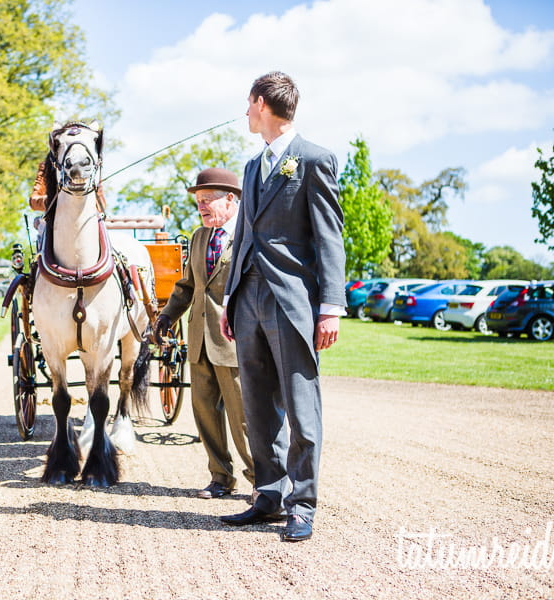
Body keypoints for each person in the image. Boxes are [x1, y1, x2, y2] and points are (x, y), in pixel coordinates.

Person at [218, 72, 346, 542]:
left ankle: (303, 503)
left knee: (300, 404)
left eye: (248, 104)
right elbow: (245, 235)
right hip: (248, 298)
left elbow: (329, 237)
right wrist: (230, 298)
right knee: (257, 403)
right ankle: (268, 494)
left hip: (294, 301)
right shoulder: (252, 167)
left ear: (260, 103)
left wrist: (330, 306)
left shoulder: (314, 160)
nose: (246, 112)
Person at [155, 168, 254, 500]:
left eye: (207, 200)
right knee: (205, 415)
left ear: (230, 199)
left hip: (234, 343)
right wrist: (167, 316)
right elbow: (187, 287)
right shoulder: (199, 237)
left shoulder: (249, 235)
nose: (201, 207)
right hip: (198, 343)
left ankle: (262, 482)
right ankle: (220, 477)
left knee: (245, 420)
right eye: (198, 201)